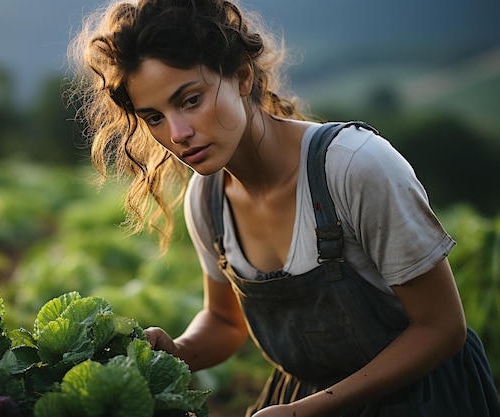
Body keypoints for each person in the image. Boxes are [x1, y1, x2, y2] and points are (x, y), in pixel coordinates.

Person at [66, 0, 500, 415]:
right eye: (154, 117)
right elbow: (224, 320)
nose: (177, 133)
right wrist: (178, 352)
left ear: (240, 77)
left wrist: (306, 410)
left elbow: (441, 329)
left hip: (424, 399)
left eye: (190, 100)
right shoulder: (208, 198)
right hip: (304, 399)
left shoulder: (354, 167)